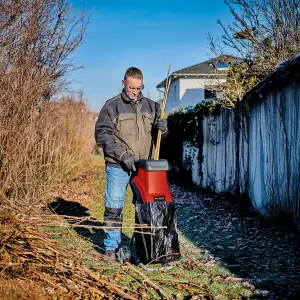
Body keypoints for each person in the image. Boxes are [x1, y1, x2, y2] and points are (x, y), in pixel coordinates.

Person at [95, 67, 167, 259]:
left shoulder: (153, 106)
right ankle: (112, 246)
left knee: (144, 207)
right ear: (123, 83)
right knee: (114, 206)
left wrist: (164, 129)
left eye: (139, 87)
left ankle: (144, 246)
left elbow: (160, 137)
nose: (135, 91)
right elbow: (102, 135)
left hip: (144, 167)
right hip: (118, 165)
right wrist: (123, 155)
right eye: (131, 87)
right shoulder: (111, 106)